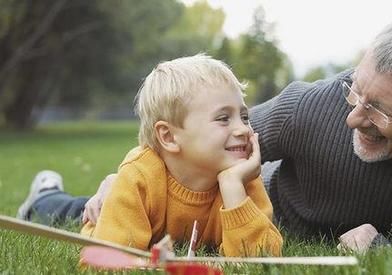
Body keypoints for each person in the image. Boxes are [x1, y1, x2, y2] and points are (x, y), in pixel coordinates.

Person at [59, 13, 392, 255]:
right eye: (356, 91)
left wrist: (389, 253)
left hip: (243, 218)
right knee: (103, 209)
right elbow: (190, 139)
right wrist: (125, 173)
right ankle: (48, 198)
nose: (353, 117)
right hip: (234, 203)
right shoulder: (310, 106)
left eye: (380, 109)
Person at [16, 54, 283, 257]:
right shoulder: (140, 177)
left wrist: (234, 189)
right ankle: (44, 195)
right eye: (224, 118)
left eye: (244, 116)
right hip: (107, 216)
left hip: (141, 215)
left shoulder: (241, 178)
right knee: (68, 213)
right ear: (168, 136)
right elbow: (105, 259)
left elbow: (262, 259)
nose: (243, 129)